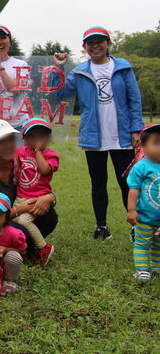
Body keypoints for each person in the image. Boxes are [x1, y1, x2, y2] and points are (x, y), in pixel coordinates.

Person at [52, 26, 143, 241]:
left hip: (122, 137)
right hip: (94, 137)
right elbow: (59, 95)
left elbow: (134, 100)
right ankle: (102, 228)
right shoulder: (80, 71)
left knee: (128, 182)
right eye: (90, 43)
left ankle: (136, 227)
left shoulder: (123, 68)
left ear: (108, 43)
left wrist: (136, 130)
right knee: (98, 182)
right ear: (84, 47)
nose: (95, 46)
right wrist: (59, 69)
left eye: (99, 41)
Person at [0, 119, 58, 257]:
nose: (9, 145)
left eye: (11, 139)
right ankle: (15, 248)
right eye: (1, 142)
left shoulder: (20, 163)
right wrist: (21, 209)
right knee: (20, 230)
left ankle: (25, 248)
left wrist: (50, 197)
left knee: (49, 216)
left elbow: (39, 187)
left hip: (18, 215)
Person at [13, 118, 58, 264]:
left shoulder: (51, 155)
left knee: (24, 221)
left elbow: (45, 170)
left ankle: (43, 247)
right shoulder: (20, 151)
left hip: (37, 198)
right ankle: (23, 250)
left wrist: (38, 151)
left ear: (48, 138)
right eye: (32, 136)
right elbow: (16, 169)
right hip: (21, 196)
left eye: (41, 136)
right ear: (24, 138)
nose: (37, 140)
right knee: (14, 220)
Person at [126, 124, 160, 281]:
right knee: (141, 244)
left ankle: (156, 267)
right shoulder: (141, 167)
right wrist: (132, 210)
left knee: (158, 245)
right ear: (143, 145)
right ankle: (142, 269)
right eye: (157, 142)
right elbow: (134, 190)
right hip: (144, 217)